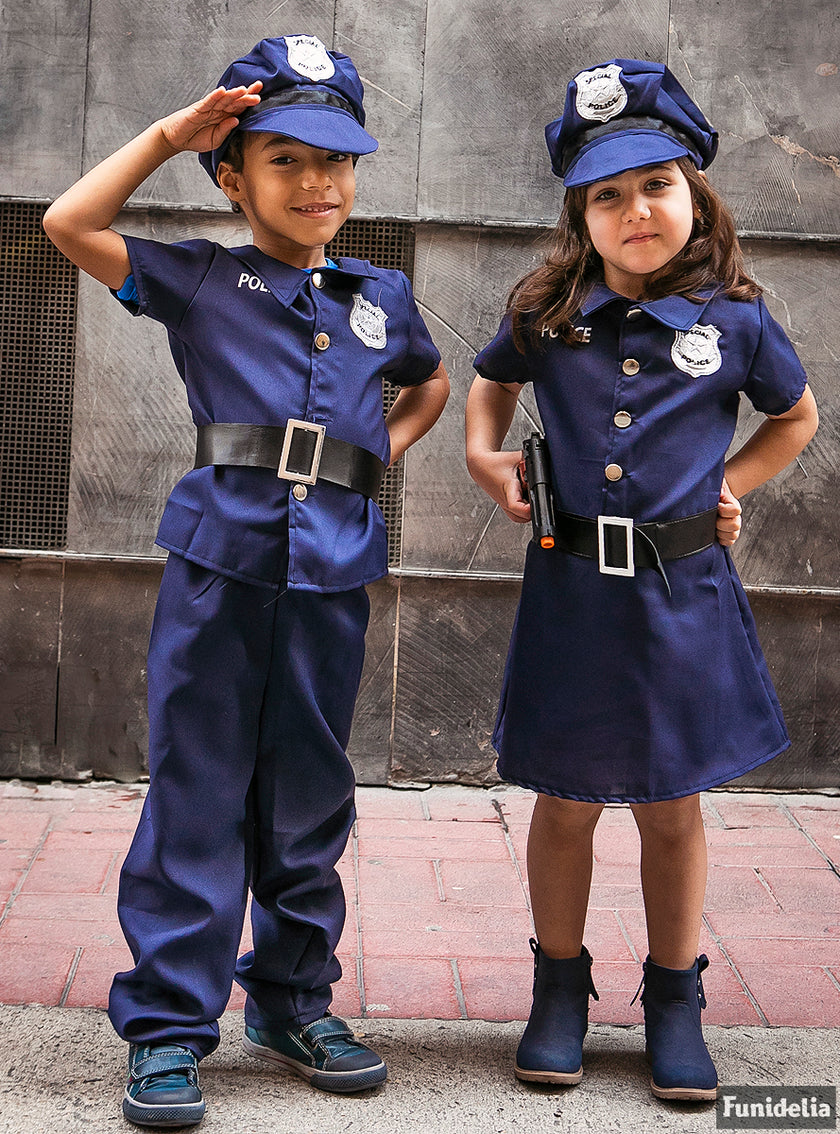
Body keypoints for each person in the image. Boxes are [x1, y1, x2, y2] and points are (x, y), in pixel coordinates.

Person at [44, 34, 449, 1128]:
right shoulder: (197, 279)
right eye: (285, 161)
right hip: (221, 570)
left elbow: (428, 385)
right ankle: (172, 1025)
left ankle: (290, 999)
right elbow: (67, 225)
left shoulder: (382, 296)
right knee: (200, 787)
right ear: (234, 176)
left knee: (311, 792)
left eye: (336, 163)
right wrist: (174, 131)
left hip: (331, 580)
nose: (318, 185)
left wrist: (374, 460)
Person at [465, 58, 817, 1102]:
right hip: (572, 596)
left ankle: (675, 998)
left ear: (695, 193)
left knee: (672, 805)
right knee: (566, 799)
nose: (636, 209)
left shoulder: (737, 320)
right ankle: (559, 991)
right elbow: (488, 385)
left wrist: (730, 482)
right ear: (582, 213)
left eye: (656, 184)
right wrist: (487, 456)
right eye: (608, 193)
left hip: (683, 598)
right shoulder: (549, 310)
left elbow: (795, 418)